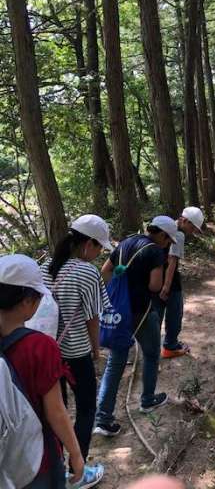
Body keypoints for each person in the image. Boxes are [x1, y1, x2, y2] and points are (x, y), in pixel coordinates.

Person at [0, 254, 84, 489]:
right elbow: (55, 411)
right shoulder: (40, 347)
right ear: (27, 301)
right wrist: (76, 453)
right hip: (35, 459)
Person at [41, 214, 112, 488]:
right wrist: (96, 350)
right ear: (88, 244)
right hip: (76, 353)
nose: (99, 253)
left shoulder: (46, 267)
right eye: (99, 247)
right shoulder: (88, 272)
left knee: (55, 411)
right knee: (86, 409)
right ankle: (78, 472)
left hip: (48, 352)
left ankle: (57, 468)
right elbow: (93, 318)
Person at [95, 216, 178, 437]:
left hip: (118, 310)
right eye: (168, 240)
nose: (167, 244)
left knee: (115, 362)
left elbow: (105, 270)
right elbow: (155, 285)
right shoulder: (155, 252)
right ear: (162, 234)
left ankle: (103, 418)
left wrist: (116, 292)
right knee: (151, 354)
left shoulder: (126, 242)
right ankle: (147, 400)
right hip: (141, 311)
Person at [159, 207, 204, 359]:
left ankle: (153, 345)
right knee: (175, 311)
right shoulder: (178, 234)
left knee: (157, 311)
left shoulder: (166, 225)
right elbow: (172, 261)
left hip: (154, 274)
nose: (193, 231)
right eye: (193, 227)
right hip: (168, 278)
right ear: (185, 221)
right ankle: (170, 346)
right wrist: (167, 286)